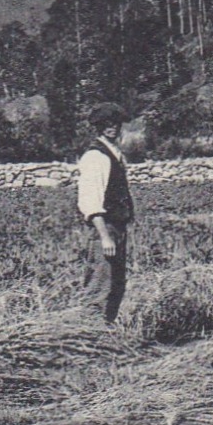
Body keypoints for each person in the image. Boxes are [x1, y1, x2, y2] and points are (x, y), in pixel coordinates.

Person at [76, 102, 134, 324]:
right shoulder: (95, 157)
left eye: (116, 124)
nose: (113, 128)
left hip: (117, 228)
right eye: (107, 124)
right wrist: (105, 236)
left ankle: (106, 335)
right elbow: (90, 201)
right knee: (99, 288)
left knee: (116, 286)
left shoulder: (116, 155)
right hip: (105, 229)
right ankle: (89, 337)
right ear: (99, 127)